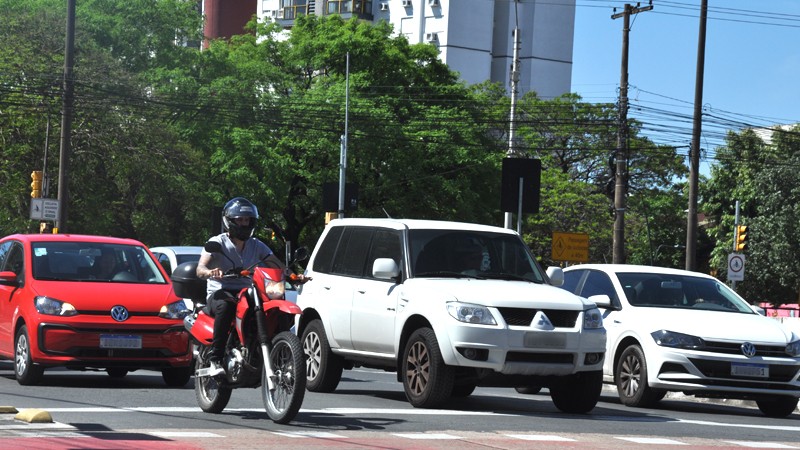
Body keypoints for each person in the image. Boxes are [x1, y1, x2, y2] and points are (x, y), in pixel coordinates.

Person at [195, 197, 294, 377]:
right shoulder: (217, 242)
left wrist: (294, 275)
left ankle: (280, 353)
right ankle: (215, 359)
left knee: (271, 307)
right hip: (220, 292)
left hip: (246, 291)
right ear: (230, 221)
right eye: (239, 220)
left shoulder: (257, 245)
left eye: (247, 220)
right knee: (226, 306)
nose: (244, 223)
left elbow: (276, 264)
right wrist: (210, 272)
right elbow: (200, 269)